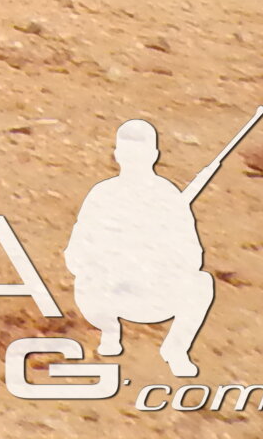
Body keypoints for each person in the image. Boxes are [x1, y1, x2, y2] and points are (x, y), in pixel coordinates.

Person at [63, 118, 220, 378]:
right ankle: (110, 332)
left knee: (202, 283)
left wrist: (156, 254)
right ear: (117, 155)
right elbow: (76, 251)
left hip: (154, 291)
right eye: (128, 153)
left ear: (153, 155)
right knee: (87, 281)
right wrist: (108, 260)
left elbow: (192, 254)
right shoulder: (102, 194)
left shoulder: (168, 197)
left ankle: (176, 349)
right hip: (109, 292)